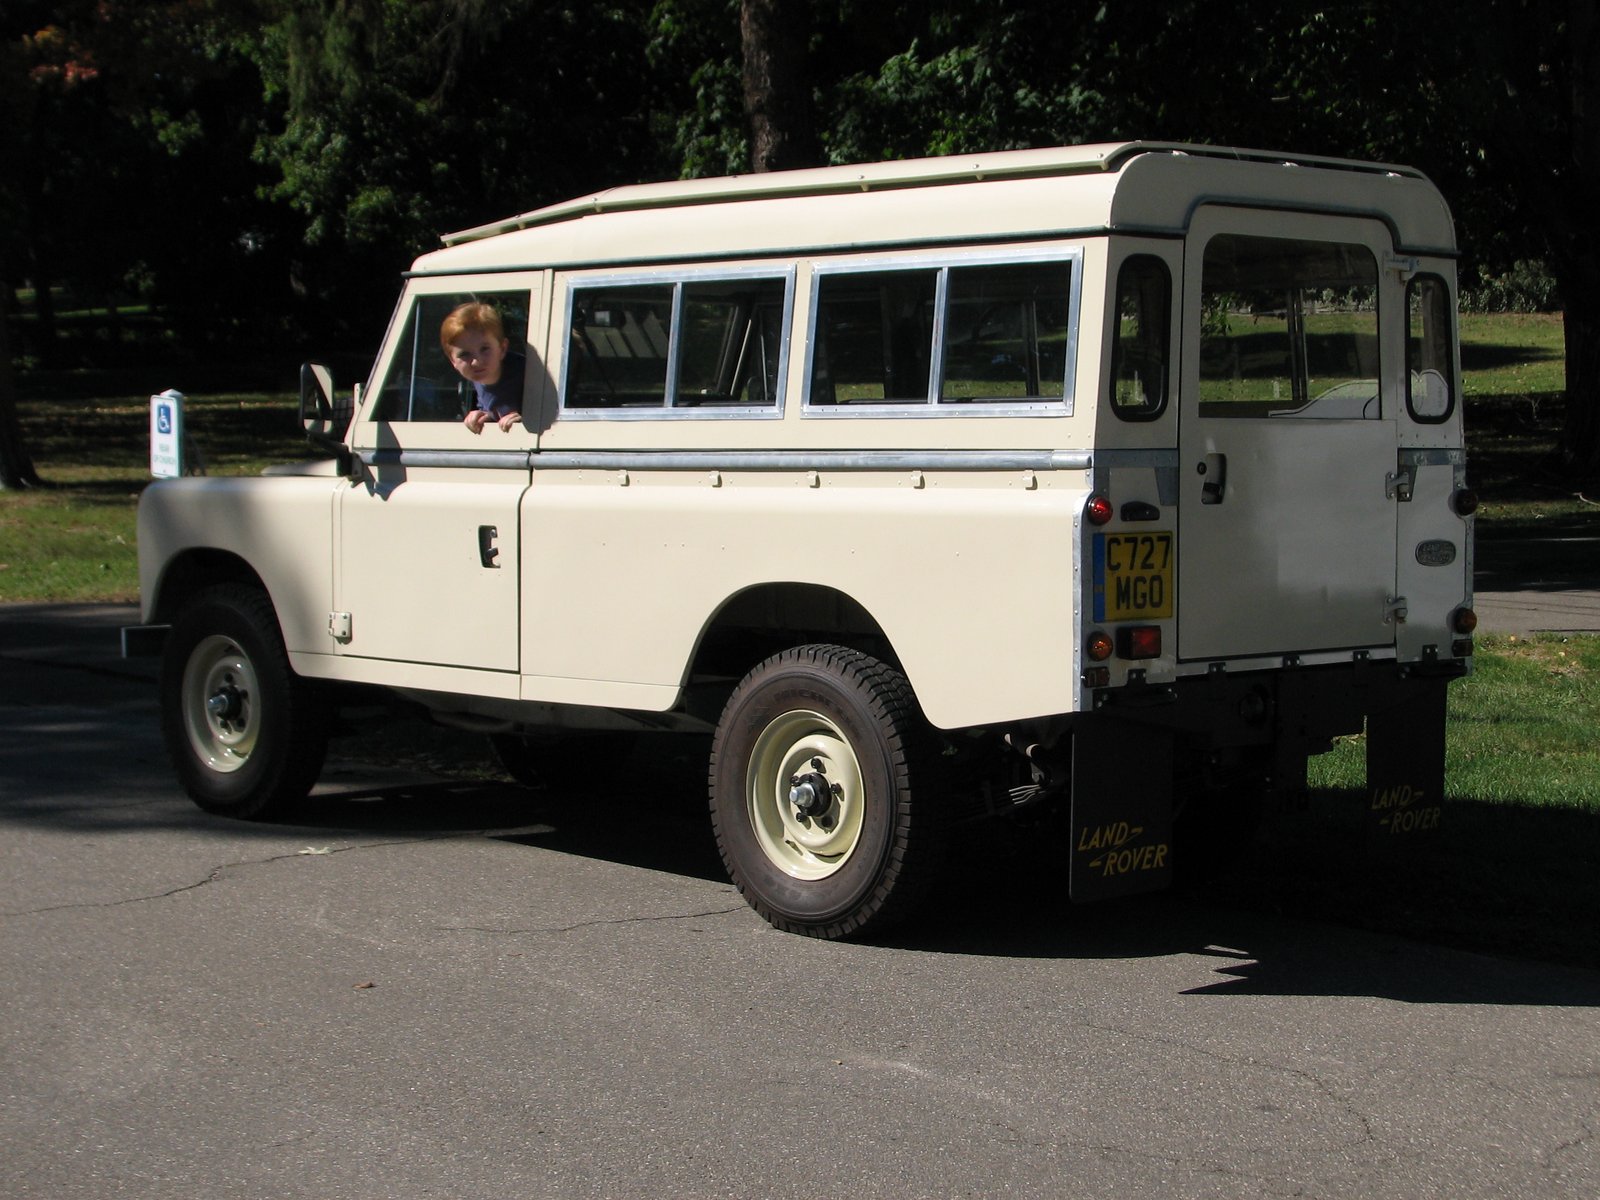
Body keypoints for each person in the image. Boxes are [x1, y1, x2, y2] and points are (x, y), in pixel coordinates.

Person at [440, 302, 525, 432]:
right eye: (464, 354)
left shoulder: (528, 373)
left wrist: (525, 420)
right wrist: (482, 416)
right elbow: (490, 407)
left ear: (502, 349)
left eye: (485, 349)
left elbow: (553, 415)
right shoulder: (479, 377)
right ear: (453, 361)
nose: (476, 362)